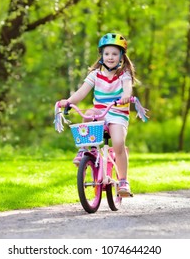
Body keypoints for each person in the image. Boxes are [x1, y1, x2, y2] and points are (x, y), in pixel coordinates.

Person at [59, 32, 137, 196]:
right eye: (107, 53)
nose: (110, 57)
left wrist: (126, 96)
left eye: (115, 54)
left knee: (118, 143)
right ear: (101, 55)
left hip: (117, 113)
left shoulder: (124, 74)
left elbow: (128, 87)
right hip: (100, 112)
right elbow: (81, 92)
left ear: (121, 56)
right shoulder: (95, 75)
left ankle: (123, 181)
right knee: (88, 113)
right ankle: (88, 150)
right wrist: (69, 101)